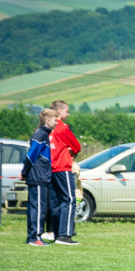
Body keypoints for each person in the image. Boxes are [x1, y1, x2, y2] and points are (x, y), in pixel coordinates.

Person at [22, 109, 57, 246]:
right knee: (38, 208)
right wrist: (24, 172)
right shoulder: (40, 134)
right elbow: (31, 155)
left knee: (37, 207)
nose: (56, 122)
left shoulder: (44, 134)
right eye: (55, 119)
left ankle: (33, 236)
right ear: (48, 121)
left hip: (41, 176)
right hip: (38, 177)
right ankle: (34, 237)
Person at [49, 100, 82, 246]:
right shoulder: (62, 128)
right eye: (66, 111)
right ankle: (64, 235)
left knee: (55, 202)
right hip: (62, 167)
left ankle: (54, 232)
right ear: (60, 111)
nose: (68, 114)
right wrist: (71, 153)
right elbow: (77, 146)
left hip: (50, 168)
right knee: (69, 200)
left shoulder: (46, 127)